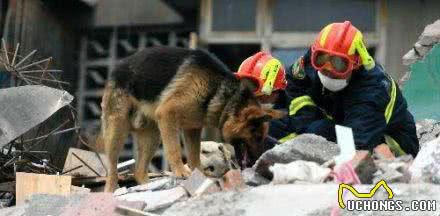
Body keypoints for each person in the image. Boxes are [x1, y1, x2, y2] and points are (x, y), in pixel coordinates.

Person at [265, 21, 419, 157]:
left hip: (389, 139)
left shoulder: (372, 89)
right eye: (322, 58)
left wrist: (311, 136)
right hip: (339, 118)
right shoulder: (311, 59)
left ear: (356, 63)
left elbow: (358, 145)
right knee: (272, 129)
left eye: (339, 63)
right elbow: (295, 83)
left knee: (320, 132)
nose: (328, 68)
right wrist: (305, 125)